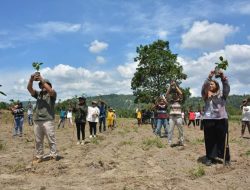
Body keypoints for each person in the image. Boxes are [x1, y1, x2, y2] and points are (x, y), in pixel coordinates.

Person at [201, 70, 230, 166]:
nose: (210, 85)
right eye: (209, 84)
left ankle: (225, 158)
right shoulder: (205, 95)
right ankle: (210, 157)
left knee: (222, 139)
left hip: (221, 119)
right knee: (209, 139)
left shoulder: (222, 95)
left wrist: (222, 77)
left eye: (212, 84)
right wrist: (209, 77)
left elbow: (226, 87)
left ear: (216, 85)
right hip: (208, 119)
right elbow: (204, 87)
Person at [27, 72, 58, 163]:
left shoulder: (52, 94)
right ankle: (39, 156)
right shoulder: (38, 94)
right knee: (38, 140)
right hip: (37, 120)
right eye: (41, 85)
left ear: (49, 85)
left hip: (48, 120)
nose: (43, 86)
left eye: (45, 84)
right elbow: (29, 88)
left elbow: (51, 91)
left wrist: (41, 79)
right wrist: (31, 79)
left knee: (51, 138)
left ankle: (53, 155)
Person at [166, 80, 184, 146]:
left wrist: (175, 86)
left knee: (181, 130)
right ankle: (169, 142)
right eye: (173, 94)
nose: (175, 95)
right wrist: (170, 87)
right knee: (170, 130)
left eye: (176, 94)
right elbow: (166, 94)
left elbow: (181, 93)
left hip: (179, 116)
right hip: (172, 117)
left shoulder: (180, 100)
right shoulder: (170, 100)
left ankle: (181, 141)